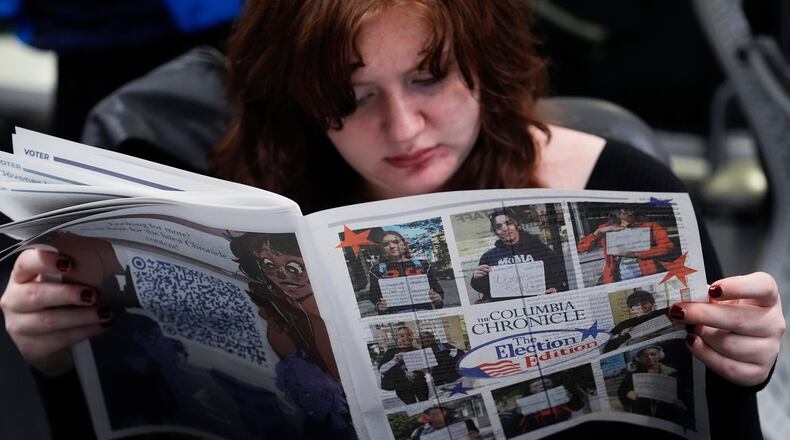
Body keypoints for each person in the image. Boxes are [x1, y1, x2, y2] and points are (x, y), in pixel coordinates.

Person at [0, 1, 784, 439]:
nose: (404, 129)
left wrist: (742, 367)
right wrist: (60, 361)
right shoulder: (245, 212)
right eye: (352, 95)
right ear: (300, 98)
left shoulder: (625, 188)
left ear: (485, 63)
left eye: (429, 77)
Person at [470, 208, 569, 302]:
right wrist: (476, 279)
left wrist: (555, 289)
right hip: (509, 308)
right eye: (498, 227)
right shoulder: (489, 256)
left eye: (509, 223)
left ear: (518, 225)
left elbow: (560, 275)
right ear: (495, 232)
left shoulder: (539, 249)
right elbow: (484, 289)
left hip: (537, 303)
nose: (504, 229)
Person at [577, 205, 675, 284]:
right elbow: (582, 248)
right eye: (618, 208)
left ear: (633, 209)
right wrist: (598, 232)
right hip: (617, 276)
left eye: (626, 208)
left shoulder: (650, 225)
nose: (622, 210)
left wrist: (637, 254)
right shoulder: (606, 228)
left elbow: (667, 247)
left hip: (646, 272)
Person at [367, 230, 444, 314]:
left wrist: (438, 299)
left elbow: (438, 292)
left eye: (396, 242)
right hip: (397, 316)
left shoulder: (423, 265)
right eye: (386, 244)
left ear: (404, 244)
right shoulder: (376, 270)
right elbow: (374, 296)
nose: (392, 246)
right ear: (382, 249)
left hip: (425, 313)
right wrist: (380, 306)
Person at [617, 346, 692, 426]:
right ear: (640, 358)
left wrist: (681, 404)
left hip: (668, 419)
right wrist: (628, 394)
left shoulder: (672, 373)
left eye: (653, 354)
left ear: (660, 355)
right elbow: (621, 392)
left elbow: (683, 395)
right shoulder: (631, 376)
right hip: (643, 419)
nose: (649, 357)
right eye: (645, 356)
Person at [604, 290, 675, 352]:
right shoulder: (623, 325)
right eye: (636, 305)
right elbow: (607, 346)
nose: (641, 307)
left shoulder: (667, 312)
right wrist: (621, 335)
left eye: (644, 303)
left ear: (652, 303)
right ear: (631, 309)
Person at [377, 326, 429, 405]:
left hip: (421, 385)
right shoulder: (391, 352)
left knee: (426, 405)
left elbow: (428, 371)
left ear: (412, 336)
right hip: (402, 388)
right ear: (397, 339)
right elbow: (381, 370)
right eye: (402, 336)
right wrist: (394, 360)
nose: (406, 337)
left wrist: (425, 370)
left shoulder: (418, 351)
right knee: (412, 407)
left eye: (409, 334)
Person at [409, 405, 480, 440]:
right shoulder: (419, 432)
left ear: (445, 412)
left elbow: (476, 435)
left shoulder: (465, 422)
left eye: (437, 412)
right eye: (429, 413)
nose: (434, 415)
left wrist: (474, 435)